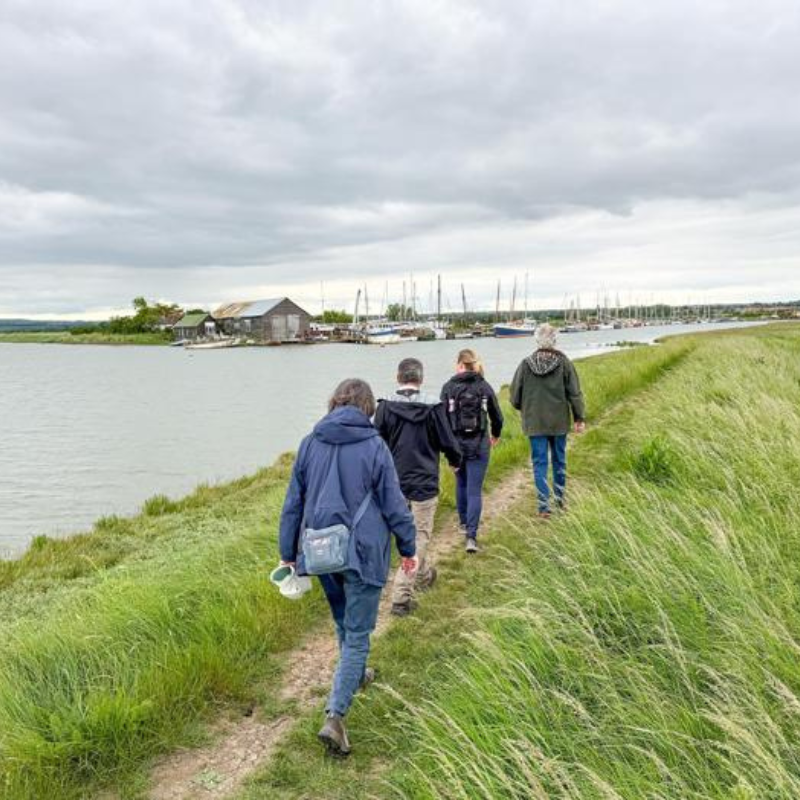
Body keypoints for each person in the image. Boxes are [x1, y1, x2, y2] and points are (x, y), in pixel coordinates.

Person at [278, 378, 418, 757]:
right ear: (368, 407)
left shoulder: (310, 442)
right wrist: (409, 547)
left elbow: (293, 502)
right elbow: (393, 504)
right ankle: (335, 716)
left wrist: (288, 553)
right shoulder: (374, 445)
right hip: (362, 551)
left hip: (320, 551)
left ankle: (355, 675)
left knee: (344, 621)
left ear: (335, 402)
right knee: (357, 633)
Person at [374, 357, 462, 617]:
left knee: (406, 535)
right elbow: (447, 440)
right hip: (424, 480)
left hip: (393, 483)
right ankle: (401, 596)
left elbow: (375, 444)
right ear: (420, 379)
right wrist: (455, 461)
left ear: (398, 377)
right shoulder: (434, 407)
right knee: (420, 536)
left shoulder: (385, 407)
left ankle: (423, 575)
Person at [510, 323, 586, 518]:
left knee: (540, 463)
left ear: (537, 340)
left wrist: (524, 409)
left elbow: (514, 395)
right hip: (559, 422)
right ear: (555, 340)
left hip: (534, 422)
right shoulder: (564, 363)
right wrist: (579, 417)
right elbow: (575, 393)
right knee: (559, 461)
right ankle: (559, 500)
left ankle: (544, 506)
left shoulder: (525, 364)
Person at [440, 349, 504, 553]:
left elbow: (441, 419)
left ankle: (463, 523)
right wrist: (495, 433)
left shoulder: (448, 387)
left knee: (461, 483)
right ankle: (471, 537)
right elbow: (497, 415)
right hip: (479, 444)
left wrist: (446, 447)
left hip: (456, 445)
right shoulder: (484, 386)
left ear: (459, 364)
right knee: (474, 489)